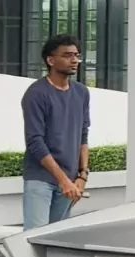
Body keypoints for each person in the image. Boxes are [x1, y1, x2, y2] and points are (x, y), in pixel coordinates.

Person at [21, 33, 91, 231]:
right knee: (34, 239)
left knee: (54, 239)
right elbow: (35, 141)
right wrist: (63, 180)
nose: (75, 60)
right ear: (51, 60)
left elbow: (83, 135)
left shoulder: (81, 92)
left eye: (77, 55)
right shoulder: (36, 93)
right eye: (68, 55)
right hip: (41, 179)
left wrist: (82, 176)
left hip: (70, 180)